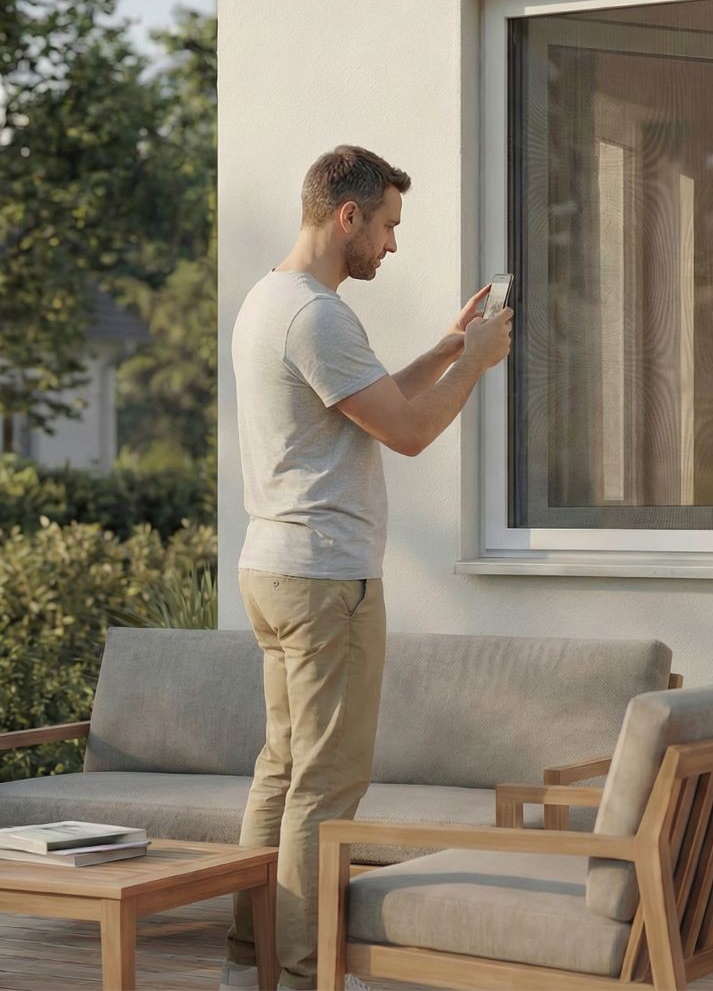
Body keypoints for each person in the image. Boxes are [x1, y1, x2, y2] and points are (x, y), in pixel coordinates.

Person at [220, 145, 512, 991]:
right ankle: (308, 972)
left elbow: (375, 398)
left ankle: (252, 964)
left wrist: (449, 344)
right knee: (328, 783)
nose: (391, 244)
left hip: (275, 569)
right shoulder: (315, 315)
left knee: (281, 773)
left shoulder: (268, 301)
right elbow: (410, 431)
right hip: (323, 579)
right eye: (386, 225)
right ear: (346, 216)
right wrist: (477, 364)